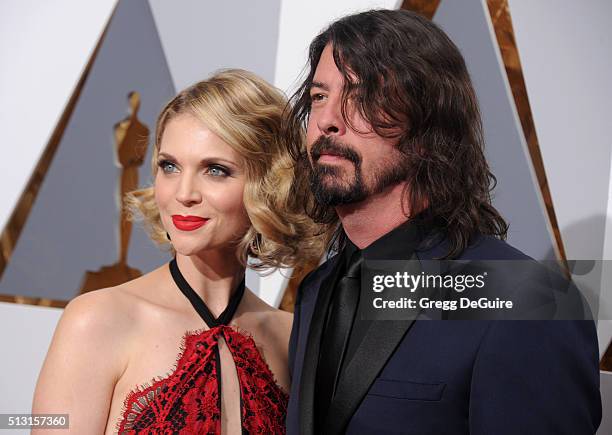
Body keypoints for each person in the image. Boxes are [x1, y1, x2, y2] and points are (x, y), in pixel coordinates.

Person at [284, 10, 602, 434]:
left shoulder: (525, 302)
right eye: (320, 96)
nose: (327, 119)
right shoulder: (318, 288)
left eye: (361, 95)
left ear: (430, 121)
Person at [32, 69, 324, 434]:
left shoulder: (289, 336)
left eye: (215, 170)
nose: (184, 193)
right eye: (169, 166)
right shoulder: (97, 320)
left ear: (268, 185)